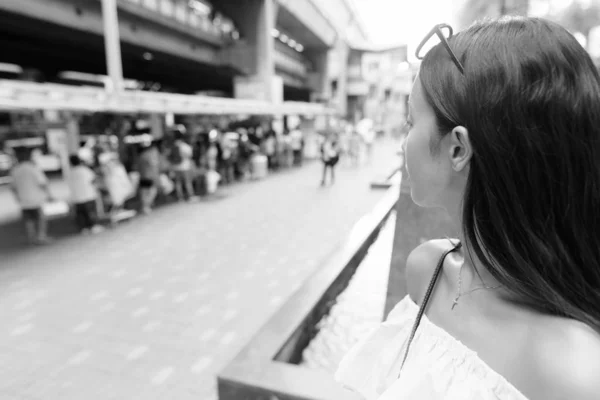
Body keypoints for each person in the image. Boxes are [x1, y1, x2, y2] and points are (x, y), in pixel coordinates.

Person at [335, 17, 600, 400]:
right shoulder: (427, 271)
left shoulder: (575, 371)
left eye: (410, 122)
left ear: (458, 149)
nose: (401, 143)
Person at [9, 146, 53, 244]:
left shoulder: (15, 170)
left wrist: (17, 197)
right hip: (36, 199)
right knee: (40, 218)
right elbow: (43, 183)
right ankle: (41, 236)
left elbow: (13, 187)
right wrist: (49, 195)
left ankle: (32, 238)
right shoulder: (33, 168)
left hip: (23, 200)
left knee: (29, 221)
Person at [67, 154, 103, 234]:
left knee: (81, 214)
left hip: (77, 197)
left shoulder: (70, 172)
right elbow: (93, 179)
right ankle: (94, 226)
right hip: (88, 195)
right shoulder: (85, 170)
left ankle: (84, 228)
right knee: (90, 212)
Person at [169, 132, 196, 201]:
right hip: (185, 166)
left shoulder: (173, 146)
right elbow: (190, 155)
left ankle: (180, 197)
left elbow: (169, 156)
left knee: (178, 183)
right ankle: (190, 196)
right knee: (187, 181)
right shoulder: (185, 146)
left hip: (175, 167)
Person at [137, 142, 160, 214]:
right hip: (149, 176)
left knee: (144, 192)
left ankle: (145, 207)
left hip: (142, 176)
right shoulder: (148, 156)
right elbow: (153, 165)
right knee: (152, 191)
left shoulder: (140, 156)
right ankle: (146, 206)